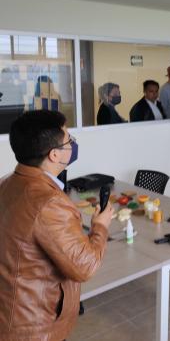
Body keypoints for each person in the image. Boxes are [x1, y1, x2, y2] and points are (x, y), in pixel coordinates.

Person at [0, 110, 114, 341]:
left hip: (11, 309)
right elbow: (85, 266)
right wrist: (100, 227)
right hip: (33, 326)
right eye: (68, 140)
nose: (73, 144)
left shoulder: (7, 183)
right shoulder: (49, 202)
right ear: (54, 155)